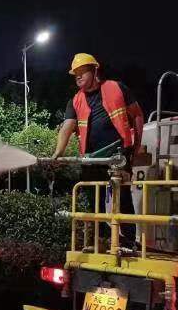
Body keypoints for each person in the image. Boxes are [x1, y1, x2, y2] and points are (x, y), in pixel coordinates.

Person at [52, 53, 145, 249]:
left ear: (95, 70)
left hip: (118, 153)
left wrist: (136, 146)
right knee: (94, 199)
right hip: (92, 157)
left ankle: (128, 241)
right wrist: (58, 151)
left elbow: (137, 114)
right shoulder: (75, 101)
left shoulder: (116, 88)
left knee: (123, 197)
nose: (78, 76)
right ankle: (103, 239)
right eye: (75, 73)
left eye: (82, 71)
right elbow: (67, 127)